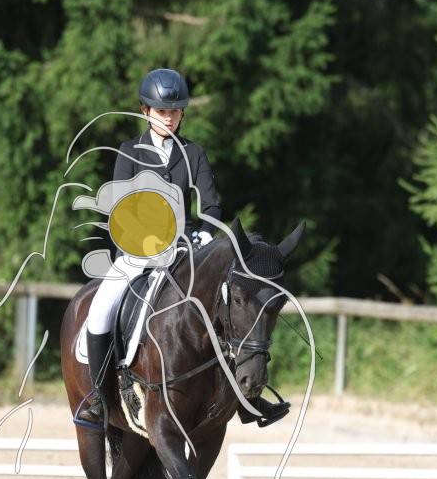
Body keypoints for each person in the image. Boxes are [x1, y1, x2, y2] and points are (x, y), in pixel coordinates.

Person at [75, 68, 288, 429]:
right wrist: (144, 241)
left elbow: (211, 204)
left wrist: (203, 234)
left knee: (225, 306)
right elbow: (120, 208)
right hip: (137, 251)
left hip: (184, 249)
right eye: (162, 111)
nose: (169, 118)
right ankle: (97, 398)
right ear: (145, 111)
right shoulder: (129, 152)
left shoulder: (193, 152)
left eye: (175, 111)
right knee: (100, 311)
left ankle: (246, 398)